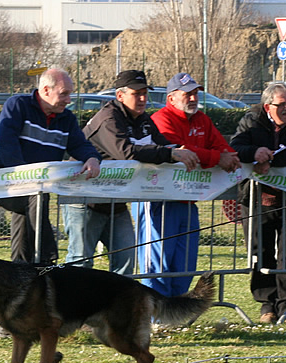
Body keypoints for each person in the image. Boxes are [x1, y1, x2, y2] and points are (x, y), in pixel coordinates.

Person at [79, 70, 199, 285]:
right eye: (137, 94)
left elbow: (162, 144)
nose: (143, 99)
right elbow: (126, 152)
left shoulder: (142, 118)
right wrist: (171, 153)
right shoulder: (108, 118)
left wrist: (177, 151)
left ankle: (115, 314)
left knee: (126, 260)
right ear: (120, 95)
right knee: (81, 263)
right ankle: (74, 313)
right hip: (85, 200)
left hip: (117, 201)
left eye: (145, 93)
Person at [0, 68, 101, 266]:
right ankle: (47, 257)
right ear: (46, 90)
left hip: (36, 191)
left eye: (70, 94)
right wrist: (29, 178)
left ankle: (21, 270)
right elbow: (7, 147)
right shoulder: (17, 106)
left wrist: (92, 158)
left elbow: (80, 144)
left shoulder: (67, 119)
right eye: (64, 93)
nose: (68, 100)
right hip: (5, 185)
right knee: (36, 196)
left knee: (28, 216)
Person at [145, 72, 240, 296]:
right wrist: (217, 159)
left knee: (185, 262)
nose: (193, 98)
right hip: (161, 200)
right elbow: (181, 149)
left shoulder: (202, 119)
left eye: (196, 93)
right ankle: (155, 313)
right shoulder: (161, 119)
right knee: (158, 262)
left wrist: (225, 156)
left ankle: (176, 310)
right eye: (187, 94)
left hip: (188, 200)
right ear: (171, 98)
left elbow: (221, 147)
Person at [230, 82, 286, 325]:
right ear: (268, 106)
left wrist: (273, 159)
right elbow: (236, 146)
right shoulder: (252, 119)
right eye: (283, 104)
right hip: (257, 197)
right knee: (260, 252)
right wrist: (256, 152)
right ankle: (267, 306)